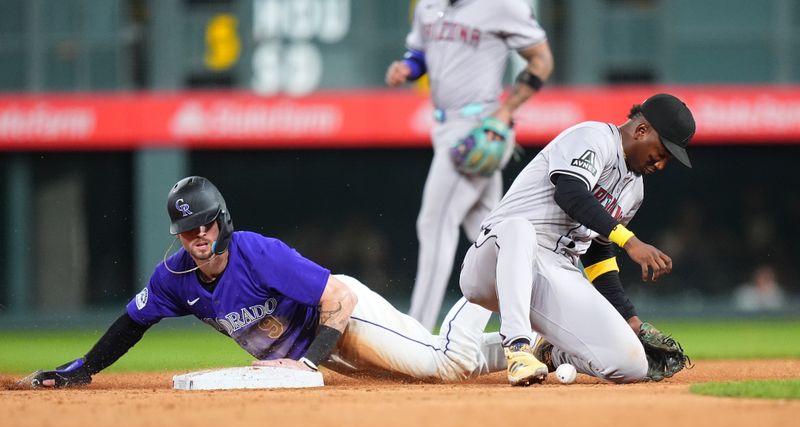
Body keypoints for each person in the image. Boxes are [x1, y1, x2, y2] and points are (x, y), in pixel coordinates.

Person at [28, 176, 509, 389]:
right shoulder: (173, 277)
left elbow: (336, 298)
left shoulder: (256, 252)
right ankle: (534, 350)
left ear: (222, 220)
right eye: (187, 229)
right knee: (425, 371)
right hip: (320, 352)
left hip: (346, 320)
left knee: (442, 366)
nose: (197, 235)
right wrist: (86, 367)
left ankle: (488, 261)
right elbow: (131, 323)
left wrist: (308, 363)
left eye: (205, 224)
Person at [459, 93, 696, 386]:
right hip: (495, 262)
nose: (660, 164)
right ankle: (517, 349)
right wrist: (631, 241)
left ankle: (549, 353)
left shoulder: (635, 191)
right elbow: (570, 192)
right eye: (661, 152)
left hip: (555, 271)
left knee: (632, 364)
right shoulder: (593, 137)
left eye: (667, 160)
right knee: (519, 228)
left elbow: (598, 251)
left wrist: (629, 318)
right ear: (642, 130)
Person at [385, 0, 554, 330]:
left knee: (434, 223)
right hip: (446, 126)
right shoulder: (427, 5)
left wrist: (506, 112)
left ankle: (413, 332)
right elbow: (420, 53)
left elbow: (542, 59)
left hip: (481, 126)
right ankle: (545, 323)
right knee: (492, 234)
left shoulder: (502, 5)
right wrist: (408, 68)